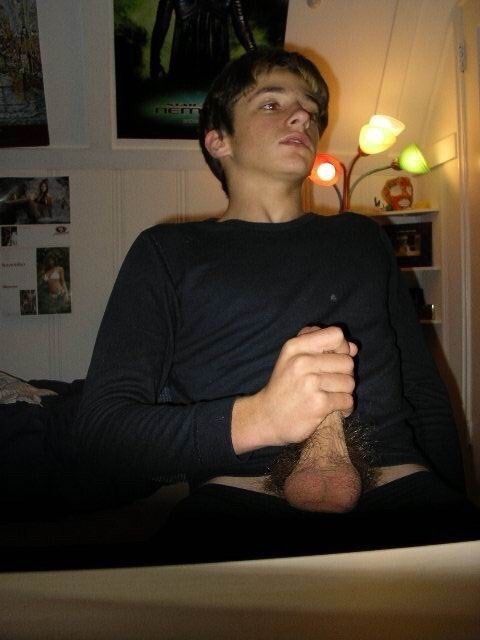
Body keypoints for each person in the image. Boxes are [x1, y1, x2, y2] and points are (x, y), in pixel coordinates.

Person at [74, 48, 479, 563]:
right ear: (218, 140)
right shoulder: (168, 252)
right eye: (272, 103)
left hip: (403, 495)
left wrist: (455, 499)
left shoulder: (362, 238)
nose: (302, 117)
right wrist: (260, 418)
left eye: (311, 109)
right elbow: (102, 431)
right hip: (239, 509)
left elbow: (423, 391)